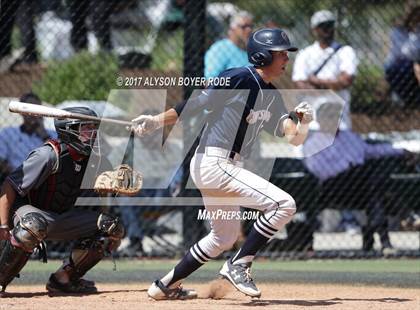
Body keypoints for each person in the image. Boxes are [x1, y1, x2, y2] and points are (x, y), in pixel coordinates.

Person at [132, 28, 313, 300]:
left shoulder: (272, 94)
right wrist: (156, 121)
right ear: (262, 56)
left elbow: (293, 138)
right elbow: (196, 103)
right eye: (281, 53)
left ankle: (164, 286)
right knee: (284, 204)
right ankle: (238, 265)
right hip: (214, 163)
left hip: (225, 167)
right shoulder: (238, 77)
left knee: (223, 238)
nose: (286, 58)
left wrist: (304, 123)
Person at [0, 107, 125, 295]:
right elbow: (9, 186)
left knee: (111, 227)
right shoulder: (48, 155)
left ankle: (64, 279)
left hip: (62, 217)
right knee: (32, 225)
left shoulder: (96, 161)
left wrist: (116, 188)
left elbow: (106, 200)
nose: (92, 134)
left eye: (94, 129)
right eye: (86, 129)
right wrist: (2, 225)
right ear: (69, 130)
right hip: (30, 212)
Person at [302, 102, 408, 253]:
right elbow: (319, 171)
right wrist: (349, 168)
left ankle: (384, 243)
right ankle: (402, 220)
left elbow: (371, 150)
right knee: (371, 177)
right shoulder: (313, 144)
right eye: (329, 117)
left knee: (374, 188)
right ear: (319, 119)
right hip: (333, 189)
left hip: (362, 186)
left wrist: (402, 152)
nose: (334, 120)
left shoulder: (349, 137)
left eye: (336, 116)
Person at [292, 10, 358, 130]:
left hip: (340, 123)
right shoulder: (305, 54)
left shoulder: (346, 51)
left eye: (330, 25)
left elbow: (346, 81)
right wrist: (333, 85)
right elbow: (300, 85)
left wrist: (315, 81)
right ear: (314, 29)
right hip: (311, 123)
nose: (327, 29)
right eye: (322, 26)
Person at [0, 93, 56, 181]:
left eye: (37, 109)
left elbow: (57, 157)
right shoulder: (8, 133)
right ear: (21, 112)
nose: (33, 113)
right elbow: (2, 161)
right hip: (16, 179)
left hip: (45, 179)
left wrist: (44, 136)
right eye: (29, 108)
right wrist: (18, 177)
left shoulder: (52, 135)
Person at [204, 11, 253, 79]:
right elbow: (210, 81)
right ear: (232, 29)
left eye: (251, 26)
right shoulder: (220, 48)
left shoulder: (252, 51)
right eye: (244, 27)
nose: (249, 30)